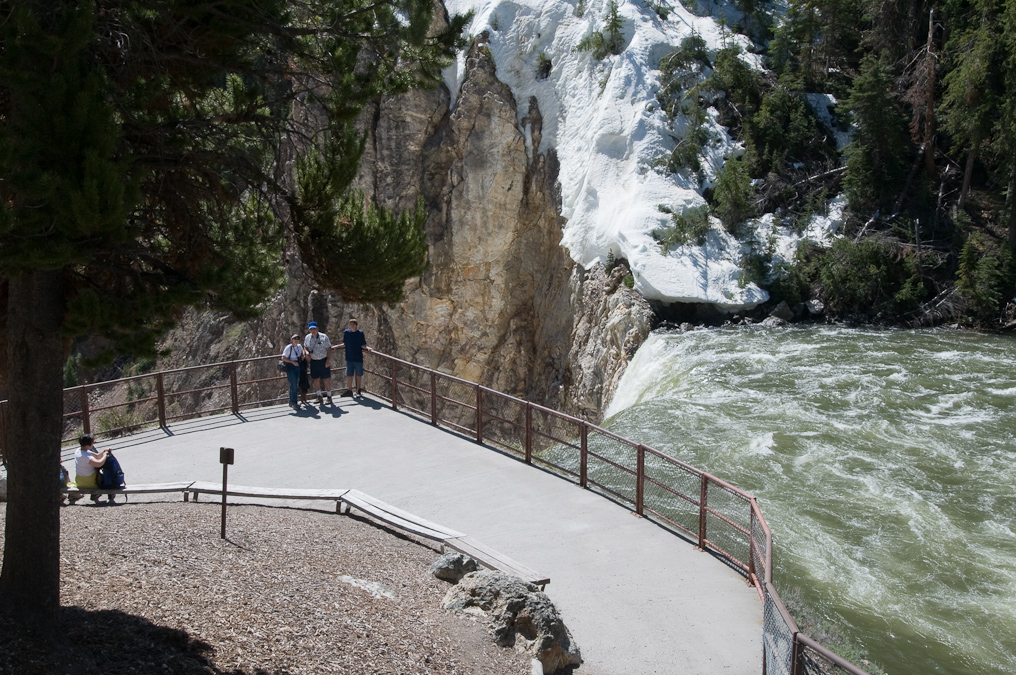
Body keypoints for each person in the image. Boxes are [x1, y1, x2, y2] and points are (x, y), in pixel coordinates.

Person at [74, 434, 114, 504]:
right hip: (90, 482)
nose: (93, 443)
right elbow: (99, 463)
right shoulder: (86, 456)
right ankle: (110, 494)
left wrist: (104, 451)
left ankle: (95, 494)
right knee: (108, 479)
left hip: (80, 481)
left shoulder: (78, 451)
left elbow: (97, 456)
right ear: (88, 444)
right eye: (92, 442)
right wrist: (105, 455)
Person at [337, 318, 372, 397]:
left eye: (353, 324)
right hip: (349, 357)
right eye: (351, 324)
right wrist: (335, 347)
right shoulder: (347, 333)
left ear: (356, 325)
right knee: (349, 374)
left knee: (358, 374)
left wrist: (367, 348)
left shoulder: (360, 333)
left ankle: (358, 390)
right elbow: (344, 343)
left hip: (358, 357)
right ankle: (349, 390)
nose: (352, 326)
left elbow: (363, 344)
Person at [304, 321, 333, 404]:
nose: (313, 331)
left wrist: (328, 359)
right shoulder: (307, 338)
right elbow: (305, 347)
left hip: (323, 360)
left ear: (317, 329)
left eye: (314, 329)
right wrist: (306, 352)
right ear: (309, 330)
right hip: (313, 361)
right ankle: (319, 396)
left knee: (325, 379)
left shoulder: (324, 337)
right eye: (311, 329)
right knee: (315, 380)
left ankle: (329, 396)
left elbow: (329, 348)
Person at [282, 334, 305, 410]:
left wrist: (302, 355)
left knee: (295, 384)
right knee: (294, 385)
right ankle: (293, 402)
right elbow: (283, 358)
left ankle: (292, 401)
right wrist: (292, 362)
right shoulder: (289, 348)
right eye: (294, 339)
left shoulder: (299, 346)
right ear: (292, 340)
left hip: (298, 366)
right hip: (291, 367)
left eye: (297, 339)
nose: (296, 340)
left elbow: (302, 352)